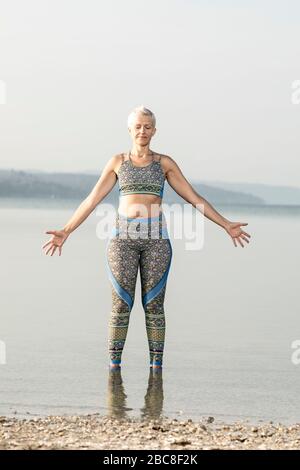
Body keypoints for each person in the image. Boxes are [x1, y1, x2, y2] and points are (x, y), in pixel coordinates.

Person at [42, 105, 251, 370]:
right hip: (122, 241)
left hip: (156, 242)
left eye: (148, 126)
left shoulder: (164, 164)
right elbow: (92, 199)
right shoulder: (118, 162)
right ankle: (114, 369)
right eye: (138, 126)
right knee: (120, 306)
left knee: (154, 305)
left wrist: (225, 224)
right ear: (130, 129)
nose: (143, 131)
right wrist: (67, 230)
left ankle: (157, 371)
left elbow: (195, 198)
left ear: (154, 131)